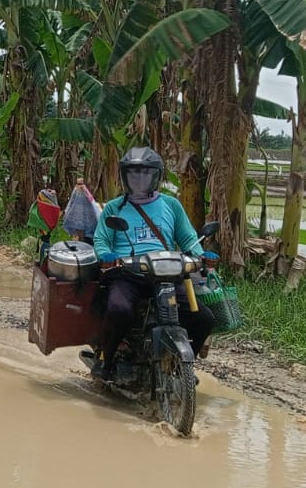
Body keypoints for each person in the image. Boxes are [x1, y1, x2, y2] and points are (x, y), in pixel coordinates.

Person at [91, 146, 216, 380]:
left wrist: (201, 255)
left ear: (155, 176)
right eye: (133, 174)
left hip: (166, 273)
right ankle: (105, 360)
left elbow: (188, 237)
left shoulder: (171, 205)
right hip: (128, 273)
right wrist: (105, 254)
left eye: (145, 173)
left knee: (204, 318)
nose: (139, 179)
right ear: (125, 176)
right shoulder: (114, 207)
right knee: (119, 310)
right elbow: (102, 239)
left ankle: (183, 365)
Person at [62, 176, 99, 243]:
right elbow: (70, 205)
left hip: (88, 228)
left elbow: (94, 208)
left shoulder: (86, 193)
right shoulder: (76, 191)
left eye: (81, 184)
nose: (79, 186)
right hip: (77, 226)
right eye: (78, 184)